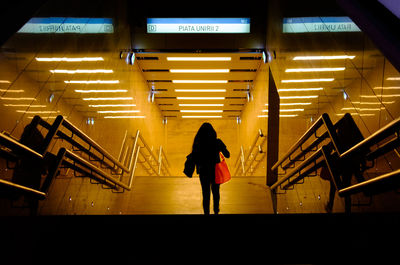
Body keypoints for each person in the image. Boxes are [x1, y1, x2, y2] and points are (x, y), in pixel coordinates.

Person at [190, 122, 230, 215]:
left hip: (203, 171)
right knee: (216, 192)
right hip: (215, 171)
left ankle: (206, 213)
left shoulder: (198, 143)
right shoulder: (217, 142)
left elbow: (194, 157)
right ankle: (216, 211)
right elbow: (227, 155)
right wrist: (221, 147)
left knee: (206, 194)